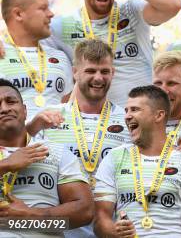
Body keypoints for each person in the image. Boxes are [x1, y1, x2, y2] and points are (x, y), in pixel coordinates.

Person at [27, 39, 130, 237]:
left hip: (113, 228)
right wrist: (33, 127)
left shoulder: (128, 119)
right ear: (75, 72)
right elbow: (12, 147)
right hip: (62, 228)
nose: (98, 78)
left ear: (113, 73)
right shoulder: (47, 116)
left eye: (104, 71)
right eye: (90, 71)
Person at [47, 0, 181, 107]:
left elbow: (173, 5)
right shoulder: (61, 26)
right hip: (92, 123)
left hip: (141, 117)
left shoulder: (132, 11)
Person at [93, 86, 181, 237]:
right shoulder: (114, 158)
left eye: (135, 109)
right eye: (126, 110)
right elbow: (100, 218)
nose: (127, 116)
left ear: (158, 115)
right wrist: (113, 231)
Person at [0, 79, 93, 233]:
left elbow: (85, 213)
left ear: (25, 111)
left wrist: (30, 217)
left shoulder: (55, 151)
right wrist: (6, 165)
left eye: (11, 101)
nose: (4, 108)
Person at [0, 0, 73, 120]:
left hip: (55, 141)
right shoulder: (1, 53)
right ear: (18, 14)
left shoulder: (60, 57)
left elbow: (67, 108)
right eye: (43, 8)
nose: (51, 14)